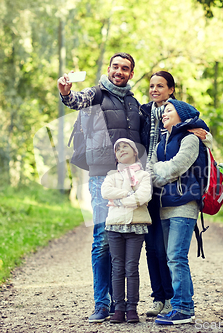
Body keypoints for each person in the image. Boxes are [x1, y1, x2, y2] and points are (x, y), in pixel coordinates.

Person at [57, 53, 148, 323]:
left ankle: (121, 304)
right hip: (102, 175)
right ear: (109, 69)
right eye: (115, 67)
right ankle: (102, 303)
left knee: (123, 238)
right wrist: (65, 93)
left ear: (131, 73)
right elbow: (76, 100)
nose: (119, 72)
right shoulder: (96, 94)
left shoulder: (133, 102)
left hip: (130, 177)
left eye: (125, 68)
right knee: (102, 238)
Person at [140, 71, 212, 317]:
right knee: (172, 257)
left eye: (169, 111)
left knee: (176, 257)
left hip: (183, 204)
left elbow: (173, 168)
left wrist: (159, 172)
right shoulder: (162, 141)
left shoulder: (190, 139)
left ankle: (182, 308)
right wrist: (159, 172)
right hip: (164, 205)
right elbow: (152, 168)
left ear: (180, 115)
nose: (164, 114)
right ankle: (181, 306)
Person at [101, 138, 152, 323]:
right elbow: (106, 192)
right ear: (116, 156)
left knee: (131, 268)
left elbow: (144, 196)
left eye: (125, 146)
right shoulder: (112, 175)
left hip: (135, 226)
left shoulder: (144, 175)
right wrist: (130, 195)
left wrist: (119, 201)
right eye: (117, 149)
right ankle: (118, 308)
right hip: (115, 226)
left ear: (135, 152)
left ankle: (132, 308)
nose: (121, 150)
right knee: (117, 268)